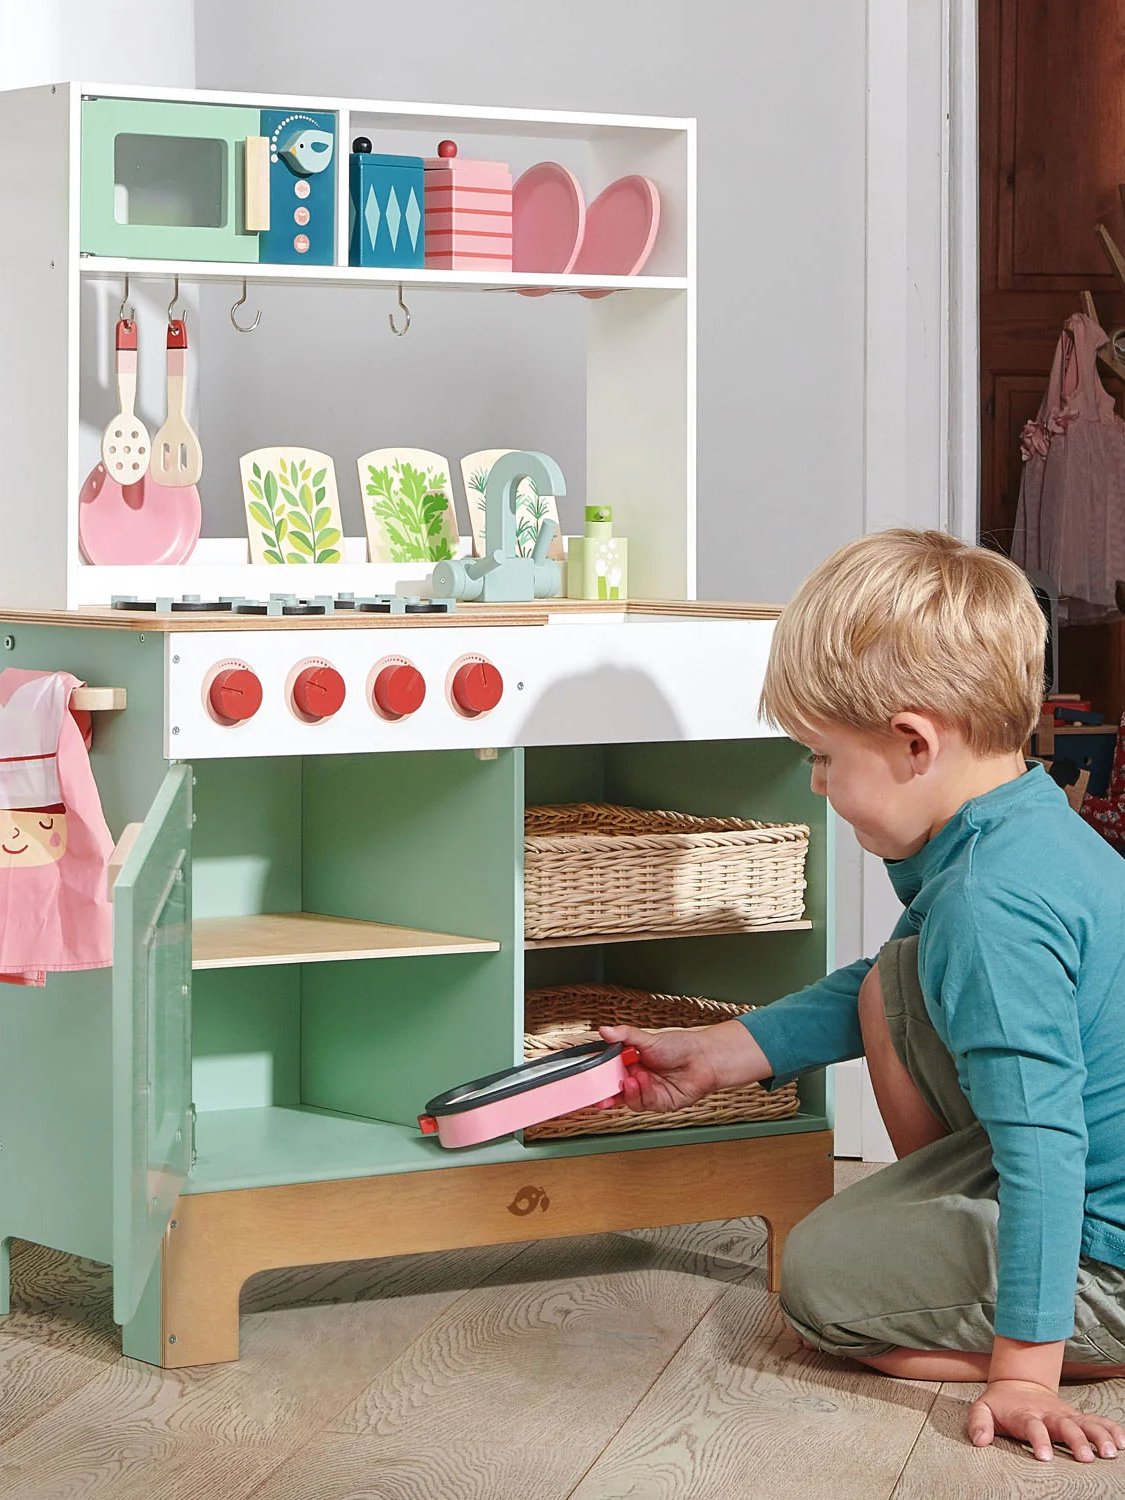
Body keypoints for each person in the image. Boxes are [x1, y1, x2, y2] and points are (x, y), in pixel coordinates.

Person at [601, 529, 1125, 1466]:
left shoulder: (984, 904)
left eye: (821, 756)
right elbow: (892, 987)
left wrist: (1021, 1377)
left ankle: (1066, 1334)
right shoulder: (1020, 824)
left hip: (1104, 1253)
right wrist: (726, 1051)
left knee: (818, 1279)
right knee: (893, 983)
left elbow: (1045, 1142)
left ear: (913, 743)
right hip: (1091, 1189)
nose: (815, 782)